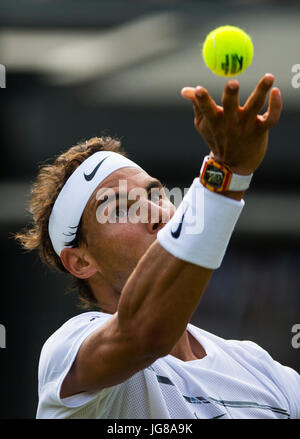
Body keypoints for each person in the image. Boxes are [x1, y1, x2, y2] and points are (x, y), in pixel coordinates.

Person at [16, 74, 300, 419]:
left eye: (155, 194)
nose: (154, 212)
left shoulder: (263, 372)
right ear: (80, 261)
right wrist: (226, 175)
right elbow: (147, 334)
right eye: (118, 208)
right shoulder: (69, 352)